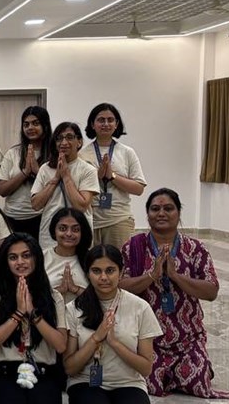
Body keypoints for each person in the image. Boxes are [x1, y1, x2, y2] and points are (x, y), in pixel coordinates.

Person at [120, 188, 229, 399]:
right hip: (147, 338)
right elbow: (120, 288)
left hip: (187, 338)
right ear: (147, 214)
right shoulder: (133, 247)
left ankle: (201, 362)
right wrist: (152, 275)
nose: (161, 213)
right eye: (155, 209)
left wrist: (175, 276)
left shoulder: (195, 249)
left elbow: (211, 291)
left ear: (179, 212)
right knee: (149, 384)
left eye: (168, 208)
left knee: (198, 383)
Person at [64, 245, 160, 404]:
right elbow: (70, 368)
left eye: (110, 270)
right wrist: (96, 338)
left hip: (128, 382)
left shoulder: (140, 307)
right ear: (87, 273)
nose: (103, 277)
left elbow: (146, 368)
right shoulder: (74, 308)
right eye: (96, 271)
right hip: (86, 381)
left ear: (121, 272)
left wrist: (114, 343)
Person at [0, 233, 69, 404]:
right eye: (13, 257)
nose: (20, 262)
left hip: (41, 370)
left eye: (26, 256)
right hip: (5, 370)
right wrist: (18, 313)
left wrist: (33, 314)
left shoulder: (53, 296)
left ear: (36, 258)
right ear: (6, 262)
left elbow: (61, 345)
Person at [80, 103, 147, 250]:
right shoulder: (82, 154)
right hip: (90, 220)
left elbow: (139, 189)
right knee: (91, 262)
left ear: (116, 124)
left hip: (119, 220)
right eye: (101, 120)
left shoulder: (127, 152)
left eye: (110, 120)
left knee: (119, 262)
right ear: (92, 124)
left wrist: (112, 176)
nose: (106, 124)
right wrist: (96, 176)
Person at [30, 121, 98, 251]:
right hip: (50, 233)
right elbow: (35, 204)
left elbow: (81, 206)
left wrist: (66, 177)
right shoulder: (45, 168)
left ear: (79, 142)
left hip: (79, 231)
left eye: (69, 137)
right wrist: (55, 179)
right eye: (59, 138)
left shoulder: (88, 170)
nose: (64, 142)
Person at [0, 106, 52, 239]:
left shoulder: (53, 154)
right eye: (26, 124)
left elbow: (56, 188)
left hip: (42, 217)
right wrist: (25, 172)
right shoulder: (13, 153)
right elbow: (2, 190)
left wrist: (37, 171)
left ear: (45, 126)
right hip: (12, 218)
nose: (30, 128)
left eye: (35, 123)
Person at [44, 208, 91, 304]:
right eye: (63, 229)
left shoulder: (91, 259)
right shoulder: (41, 257)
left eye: (75, 230)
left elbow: (101, 298)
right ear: (54, 231)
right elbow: (33, 297)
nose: (69, 234)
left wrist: (76, 289)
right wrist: (58, 291)